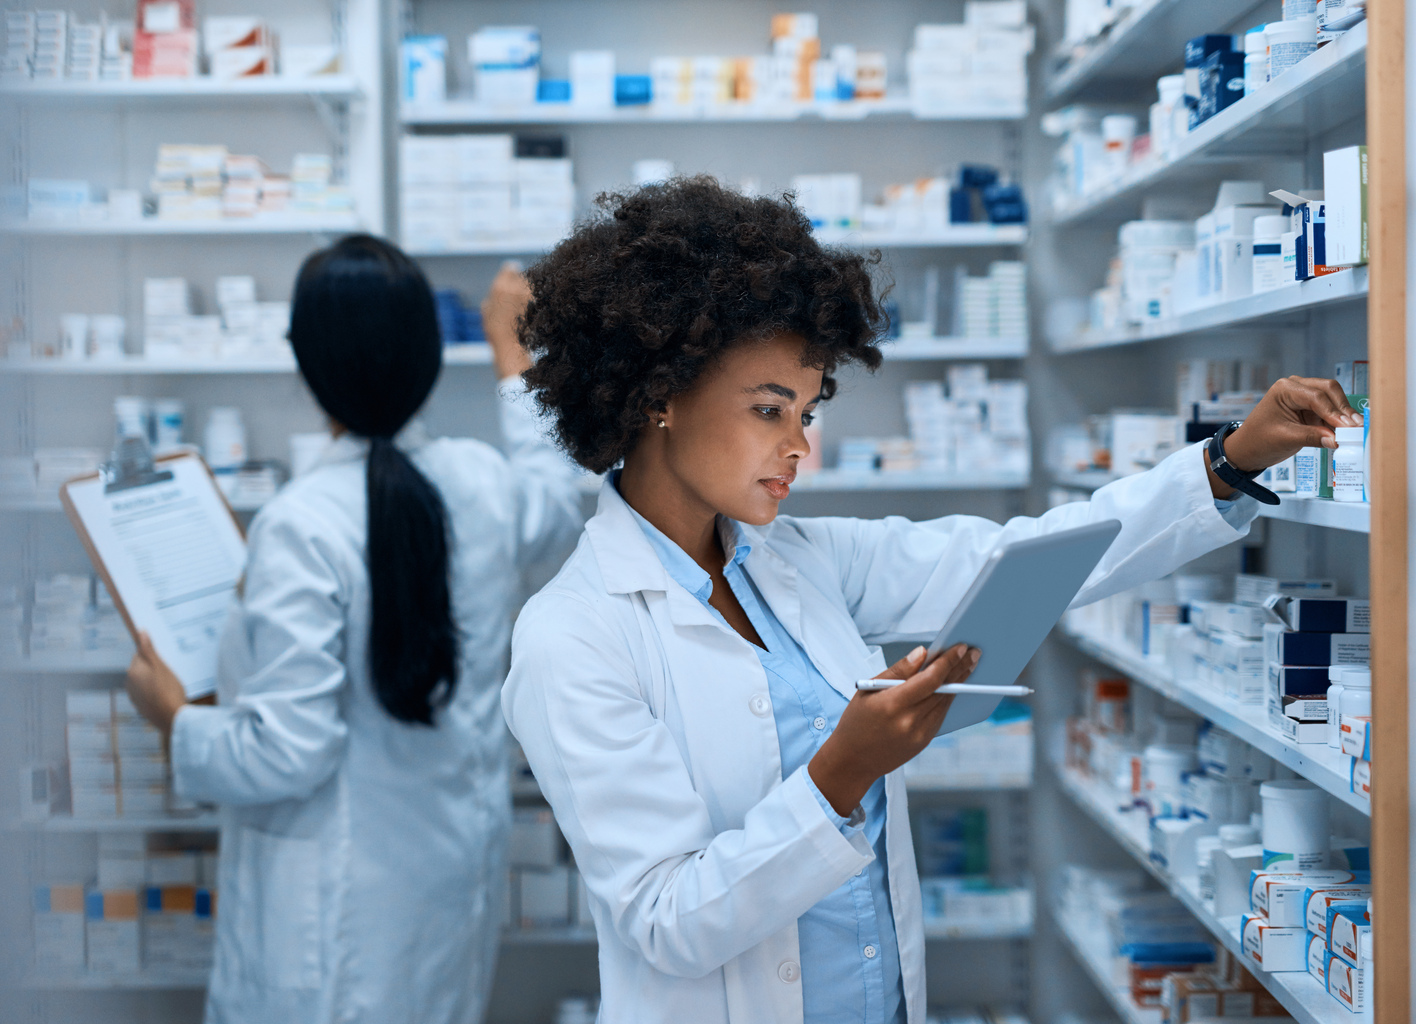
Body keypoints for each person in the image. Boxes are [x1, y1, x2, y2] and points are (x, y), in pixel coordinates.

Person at [501, 177, 1361, 1024]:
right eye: (769, 409)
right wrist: (843, 771)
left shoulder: (795, 560)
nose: (800, 445)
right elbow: (668, 921)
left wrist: (1229, 460)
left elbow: (1023, 558)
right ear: (658, 396)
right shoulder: (574, 635)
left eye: (806, 410)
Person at [123, 238, 582, 1024]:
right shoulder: (484, 485)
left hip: (331, 916)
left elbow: (284, 754)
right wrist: (513, 353)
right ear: (428, 357)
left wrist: (174, 718)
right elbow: (559, 493)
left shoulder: (301, 523)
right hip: (443, 887)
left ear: (309, 365)